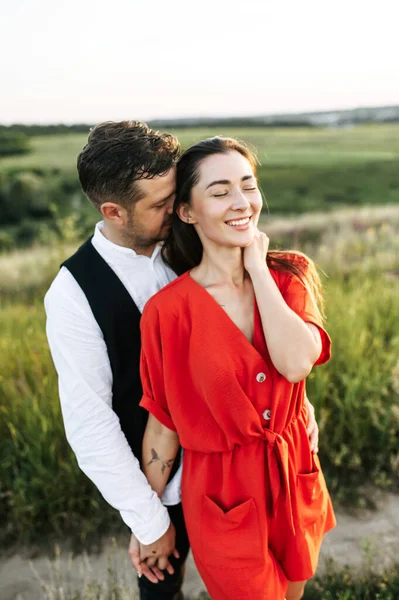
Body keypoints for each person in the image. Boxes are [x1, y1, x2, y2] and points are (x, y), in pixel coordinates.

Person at [44, 121, 322, 600]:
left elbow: (262, 337)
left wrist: (299, 406)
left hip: (262, 464)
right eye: (159, 205)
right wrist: (148, 522)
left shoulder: (192, 244)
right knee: (161, 591)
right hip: (161, 486)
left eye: (177, 198)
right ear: (114, 211)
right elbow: (91, 426)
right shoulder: (73, 294)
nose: (174, 209)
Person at [139, 136, 336, 600]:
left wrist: (257, 268)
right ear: (187, 212)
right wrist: (145, 523)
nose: (241, 201)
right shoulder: (168, 312)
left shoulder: (288, 277)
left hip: (294, 471)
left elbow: (294, 363)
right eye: (220, 190)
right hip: (221, 495)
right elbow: (163, 429)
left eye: (248, 185)